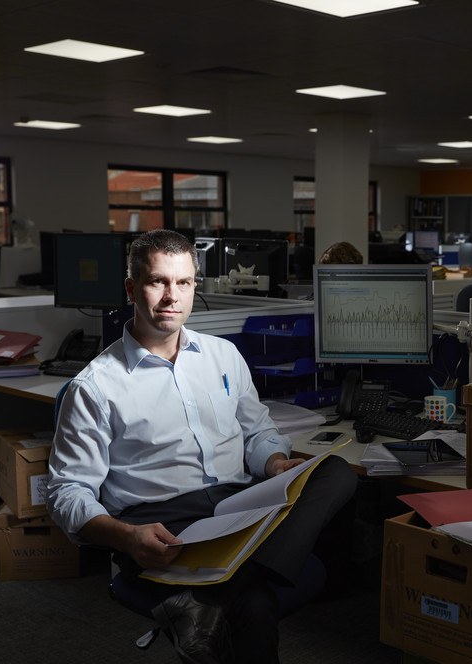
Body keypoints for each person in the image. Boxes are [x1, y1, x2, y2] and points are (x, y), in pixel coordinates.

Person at [47, 230, 357, 663]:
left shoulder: (223, 355)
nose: (172, 296)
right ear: (132, 289)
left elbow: (257, 431)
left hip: (235, 507)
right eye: (158, 281)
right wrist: (127, 537)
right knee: (254, 606)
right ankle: (234, 585)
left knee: (336, 471)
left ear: (195, 286)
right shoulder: (96, 387)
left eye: (184, 282)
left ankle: (218, 588)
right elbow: (67, 492)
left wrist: (274, 462)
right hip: (162, 524)